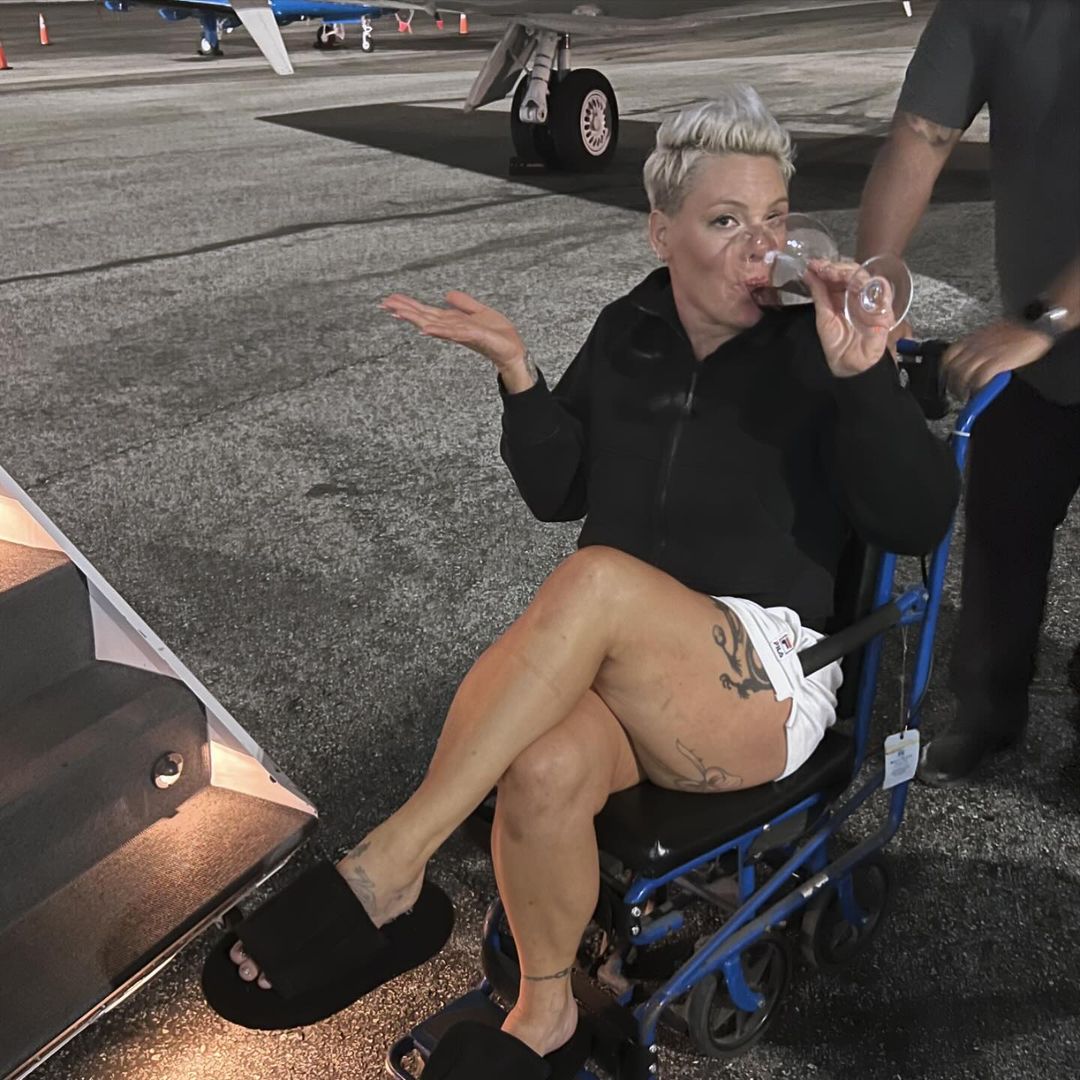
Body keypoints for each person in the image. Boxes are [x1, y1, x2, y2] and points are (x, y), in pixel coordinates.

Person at [208, 87, 958, 1075]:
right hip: (629, 668)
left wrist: (863, 378)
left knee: (596, 580)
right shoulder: (630, 331)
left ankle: (392, 863)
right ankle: (546, 1011)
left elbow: (916, 521)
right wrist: (518, 373)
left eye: (774, 220)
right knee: (541, 766)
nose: (762, 248)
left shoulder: (815, 351)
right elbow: (557, 490)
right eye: (726, 222)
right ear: (661, 232)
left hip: (769, 673)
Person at [857, 0, 1080, 786]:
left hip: (1046, 325)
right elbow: (920, 136)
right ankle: (985, 712)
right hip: (1045, 357)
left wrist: (1045, 320)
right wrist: (876, 284)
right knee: (1000, 525)